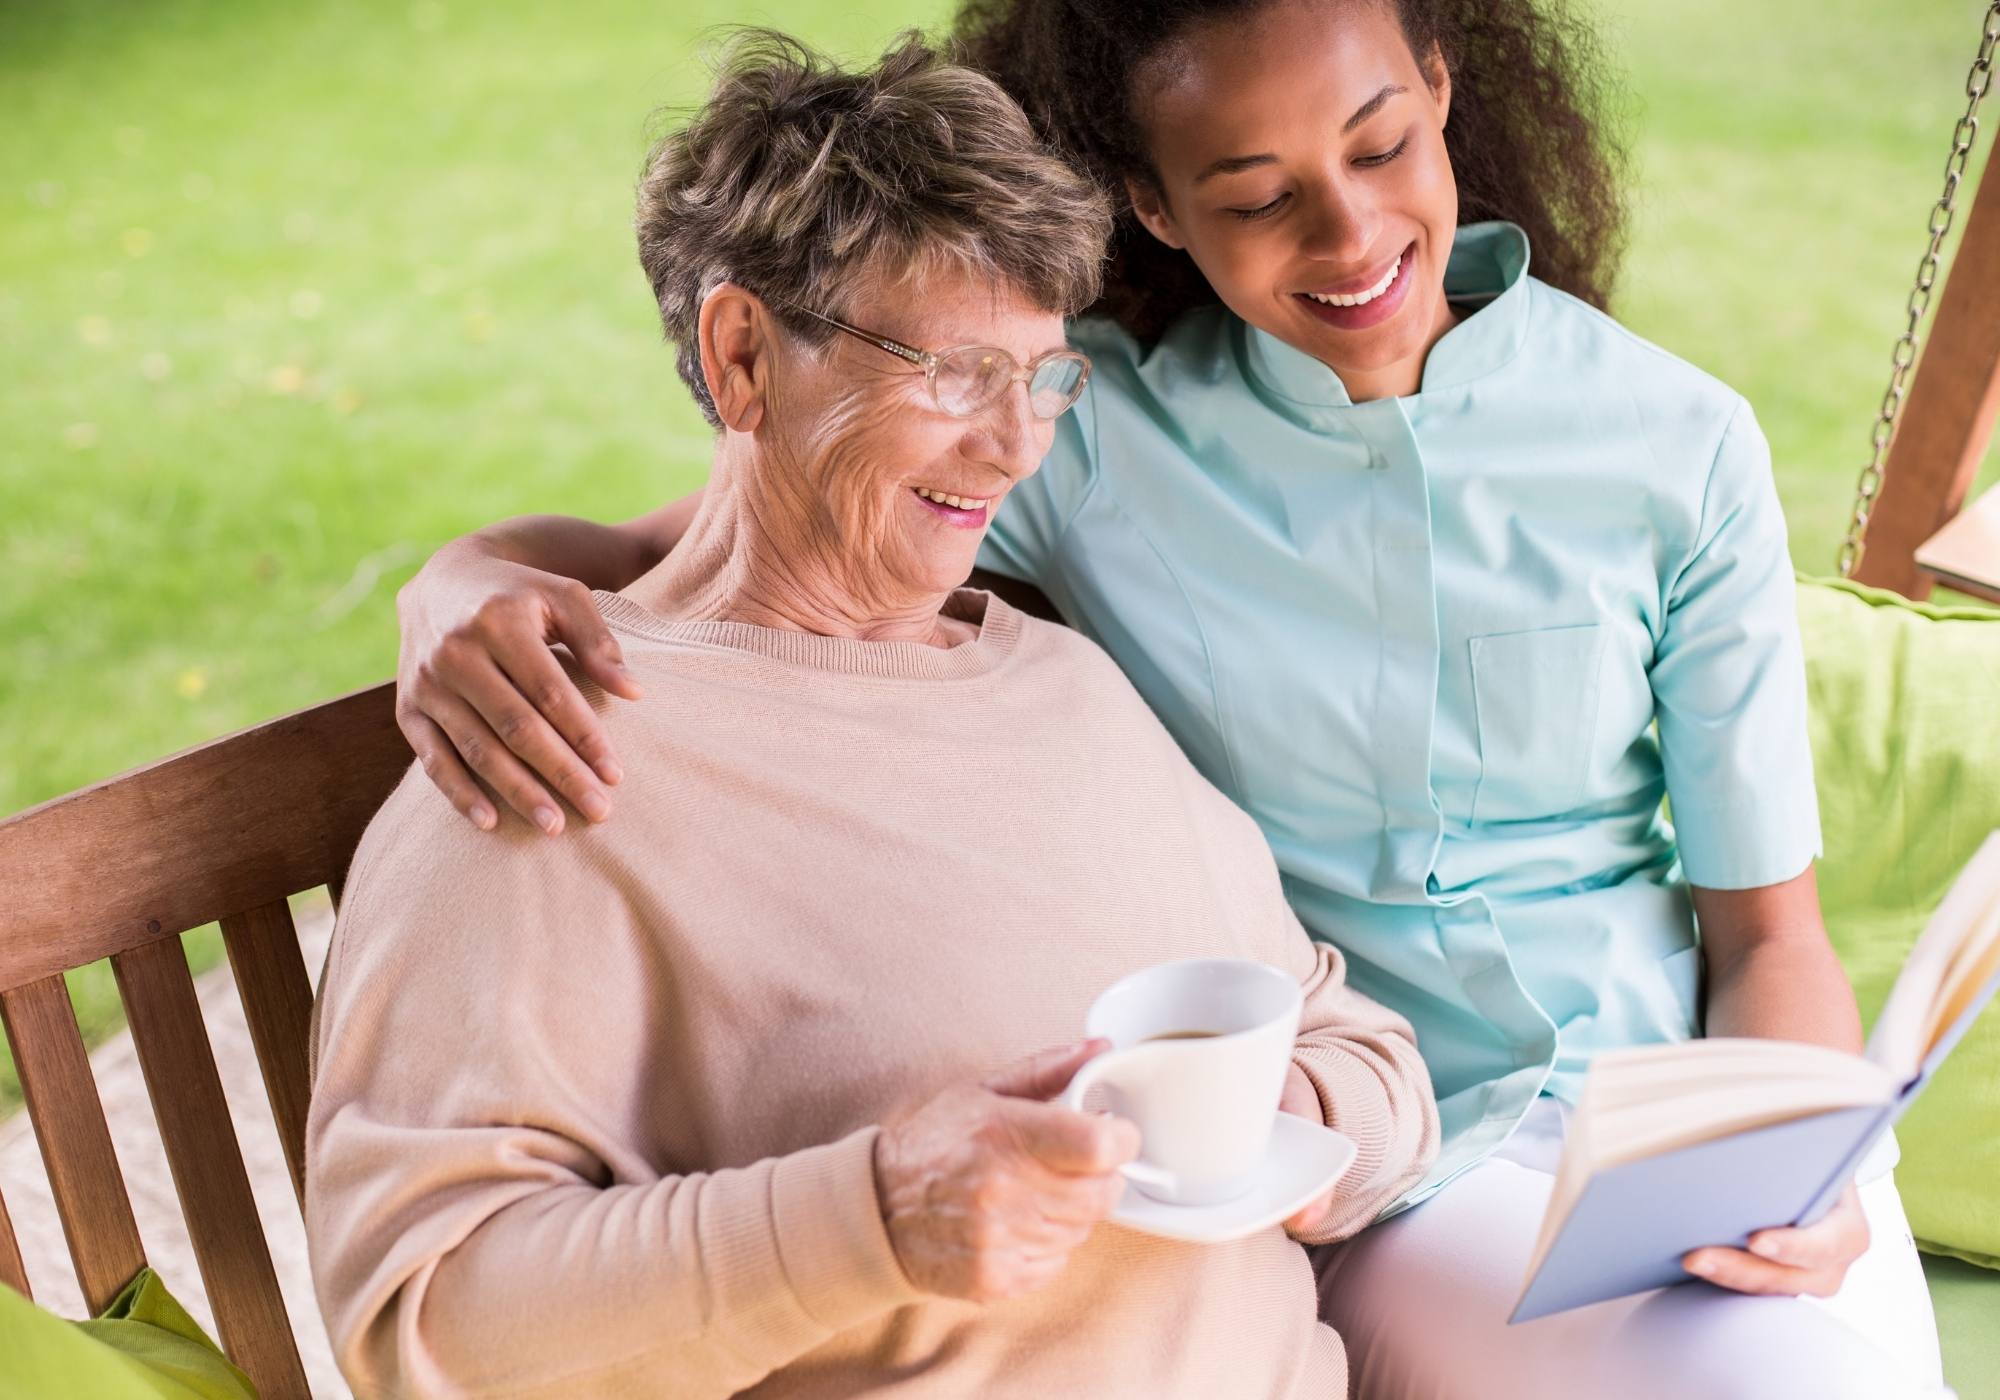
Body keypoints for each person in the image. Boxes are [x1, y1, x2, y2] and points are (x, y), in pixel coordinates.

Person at [386, 2, 1953, 1395]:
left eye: (1385, 143)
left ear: (1443, 89)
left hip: (1695, 1117)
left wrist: (1791, 1167)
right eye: (1257, 196)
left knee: (1855, 1356)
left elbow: (1770, 936)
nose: (1348, 238)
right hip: (1391, 1176)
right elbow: (725, 537)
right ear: (1156, 205)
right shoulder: (1089, 433)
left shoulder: (1674, 442)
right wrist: (454, 588)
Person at [306, 33, 1439, 1400]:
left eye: (1040, 377)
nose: (1016, 443)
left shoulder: (1062, 685)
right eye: (956, 372)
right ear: (743, 357)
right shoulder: (551, 744)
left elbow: (1351, 1045)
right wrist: (875, 1219)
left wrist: (1288, 1125)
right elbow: (420, 1322)